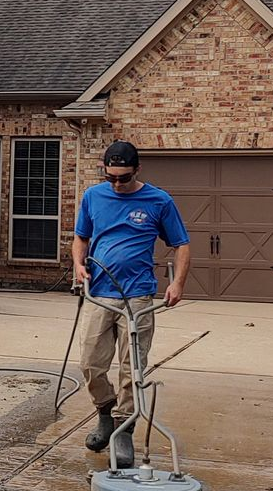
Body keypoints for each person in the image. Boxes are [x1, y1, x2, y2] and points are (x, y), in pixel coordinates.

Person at [71, 140, 191, 469]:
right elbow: (81, 237)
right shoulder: (94, 196)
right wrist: (79, 265)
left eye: (123, 178)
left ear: (137, 170)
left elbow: (181, 244)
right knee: (89, 364)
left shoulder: (159, 200)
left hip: (138, 296)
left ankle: (124, 428)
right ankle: (105, 413)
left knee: (132, 367)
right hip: (99, 293)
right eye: (111, 178)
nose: (118, 185)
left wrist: (177, 283)